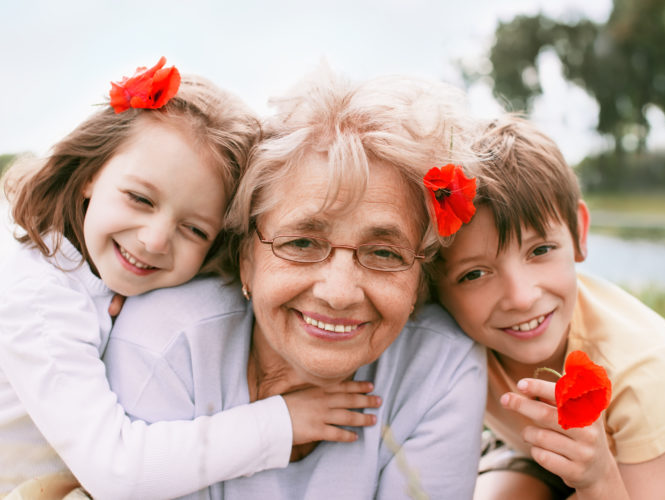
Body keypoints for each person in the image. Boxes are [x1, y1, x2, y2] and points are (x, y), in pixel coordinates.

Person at [0, 58, 379, 499]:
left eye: (194, 229)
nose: (156, 240)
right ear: (89, 174)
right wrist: (281, 423)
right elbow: (116, 471)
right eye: (140, 198)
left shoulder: (98, 277)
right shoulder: (39, 296)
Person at [102, 65, 488, 499]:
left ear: (419, 277)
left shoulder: (441, 367)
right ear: (246, 257)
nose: (339, 293)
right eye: (302, 242)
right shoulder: (168, 342)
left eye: (384, 253)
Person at [433, 116, 665, 500]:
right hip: (532, 444)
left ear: (578, 233)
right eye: (475, 273)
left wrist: (597, 479)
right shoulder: (440, 335)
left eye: (540, 250)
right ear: (432, 287)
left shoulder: (641, 361)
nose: (521, 297)